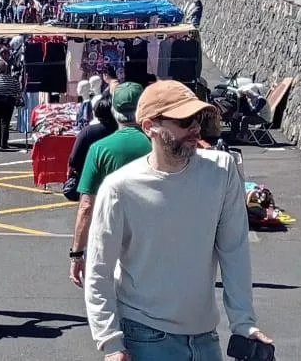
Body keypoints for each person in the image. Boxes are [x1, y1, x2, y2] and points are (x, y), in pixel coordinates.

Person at [84, 80, 273, 361]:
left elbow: (234, 251)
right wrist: (110, 342)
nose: (195, 128)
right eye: (184, 121)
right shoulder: (119, 188)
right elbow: (99, 270)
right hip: (144, 335)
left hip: (205, 336)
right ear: (150, 127)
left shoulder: (222, 171)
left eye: (198, 118)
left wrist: (243, 323)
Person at [69, 82, 150, 288]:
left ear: (114, 111)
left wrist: (77, 254)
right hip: (153, 238)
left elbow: (86, 207)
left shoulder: (98, 149)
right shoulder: (157, 144)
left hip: (110, 237)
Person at [0, 59, 21, 149]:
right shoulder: (12, 79)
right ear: (6, 69)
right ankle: (4, 143)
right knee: (5, 121)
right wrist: (17, 99)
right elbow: (18, 90)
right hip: (8, 101)